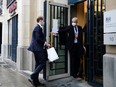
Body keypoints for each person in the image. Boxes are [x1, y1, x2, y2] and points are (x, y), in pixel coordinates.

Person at [28, 16, 50, 87]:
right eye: (43, 20)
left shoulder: (38, 27)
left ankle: (36, 82)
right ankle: (32, 76)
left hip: (37, 48)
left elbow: (39, 38)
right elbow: (38, 39)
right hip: (38, 49)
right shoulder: (38, 28)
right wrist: (45, 43)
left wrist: (45, 43)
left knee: (37, 64)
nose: (44, 22)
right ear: (40, 20)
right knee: (43, 63)